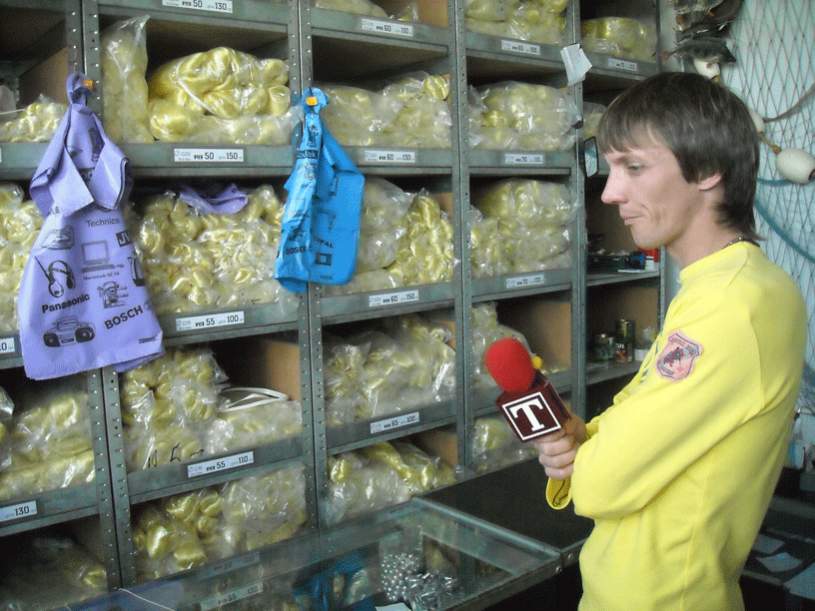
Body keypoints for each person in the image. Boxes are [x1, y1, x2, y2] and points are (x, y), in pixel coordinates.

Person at [536, 72, 806, 611]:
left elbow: (602, 483)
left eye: (633, 167)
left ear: (706, 169)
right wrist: (585, 437)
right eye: (611, 168)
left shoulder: (731, 306)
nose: (610, 193)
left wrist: (586, 460)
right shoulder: (727, 285)